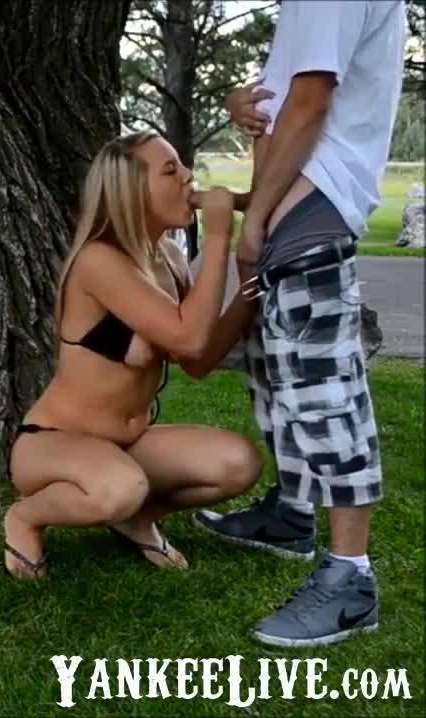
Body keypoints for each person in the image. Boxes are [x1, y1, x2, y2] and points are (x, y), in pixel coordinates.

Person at [192, 0, 406, 647]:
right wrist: (241, 105)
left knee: (324, 393)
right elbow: (289, 99)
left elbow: (311, 101)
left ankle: (350, 579)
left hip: (313, 204)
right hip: (300, 201)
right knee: (277, 376)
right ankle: (290, 513)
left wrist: (256, 219)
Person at [2, 131, 263, 580]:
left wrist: (249, 289)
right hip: (55, 443)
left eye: (183, 167)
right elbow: (188, 339)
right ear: (131, 191)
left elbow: (196, 362)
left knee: (238, 462)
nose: (188, 177)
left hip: (129, 445)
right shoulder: (99, 260)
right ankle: (25, 518)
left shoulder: (170, 258)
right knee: (121, 487)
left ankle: (135, 517)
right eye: (171, 170)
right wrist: (218, 238)